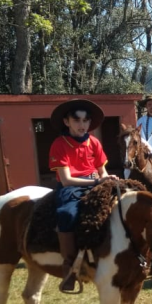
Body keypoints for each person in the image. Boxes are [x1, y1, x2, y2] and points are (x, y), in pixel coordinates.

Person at [49, 99, 118, 293]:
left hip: (96, 183)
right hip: (71, 188)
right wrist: (96, 182)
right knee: (67, 215)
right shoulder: (59, 144)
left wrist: (107, 179)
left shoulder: (94, 142)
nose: (82, 124)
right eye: (77, 120)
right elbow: (66, 180)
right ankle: (69, 270)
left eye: (86, 120)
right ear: (66, 122)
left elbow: (102, 171)